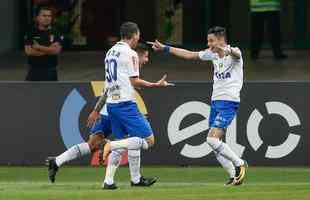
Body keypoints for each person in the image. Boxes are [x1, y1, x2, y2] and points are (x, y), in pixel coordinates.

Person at [148, 26, 247, 186]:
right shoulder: (212, 54)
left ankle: (239, 164)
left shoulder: (234, 53)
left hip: (229, 102)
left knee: (212, 140)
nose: (208, 44)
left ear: (221, 40)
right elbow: (189, 54)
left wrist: (227, 50)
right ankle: (233, 176)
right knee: (215, 145)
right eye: (208, 40)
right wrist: (165, 48)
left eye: (211, 41)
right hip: (216, 102)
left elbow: (236, 54)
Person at [46, 43, 154, 188]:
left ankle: (58, 161)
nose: (146, 60)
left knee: (93, 145)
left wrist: (97, 110)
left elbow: (108, 91)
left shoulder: (118, 67)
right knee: (128, 141)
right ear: (137, 55)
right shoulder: (127, 66)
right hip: (114, 111)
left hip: (108, 111)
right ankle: (131, 179)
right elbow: (112, 92)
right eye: (145, 56)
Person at [101, 22, 173, 188]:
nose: (138, 38)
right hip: (125, 103)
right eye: (138, 36)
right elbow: (134, 81)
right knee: (148, 140)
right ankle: (110, 145)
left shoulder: (110, 52)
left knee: (128, 141)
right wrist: (155, 85)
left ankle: (112, 181)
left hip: (112, 103)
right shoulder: (131, 53)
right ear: (134, 35)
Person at [24, 6, 63, 81]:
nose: (47, 18)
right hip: (34, 71)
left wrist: (39, 47)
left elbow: (56, 51)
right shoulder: (30, 32)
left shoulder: (56, 32)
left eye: (49, 16)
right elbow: (28, 51)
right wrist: (49, 49)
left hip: (51, 71)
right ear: (37, 18)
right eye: (44, 16)